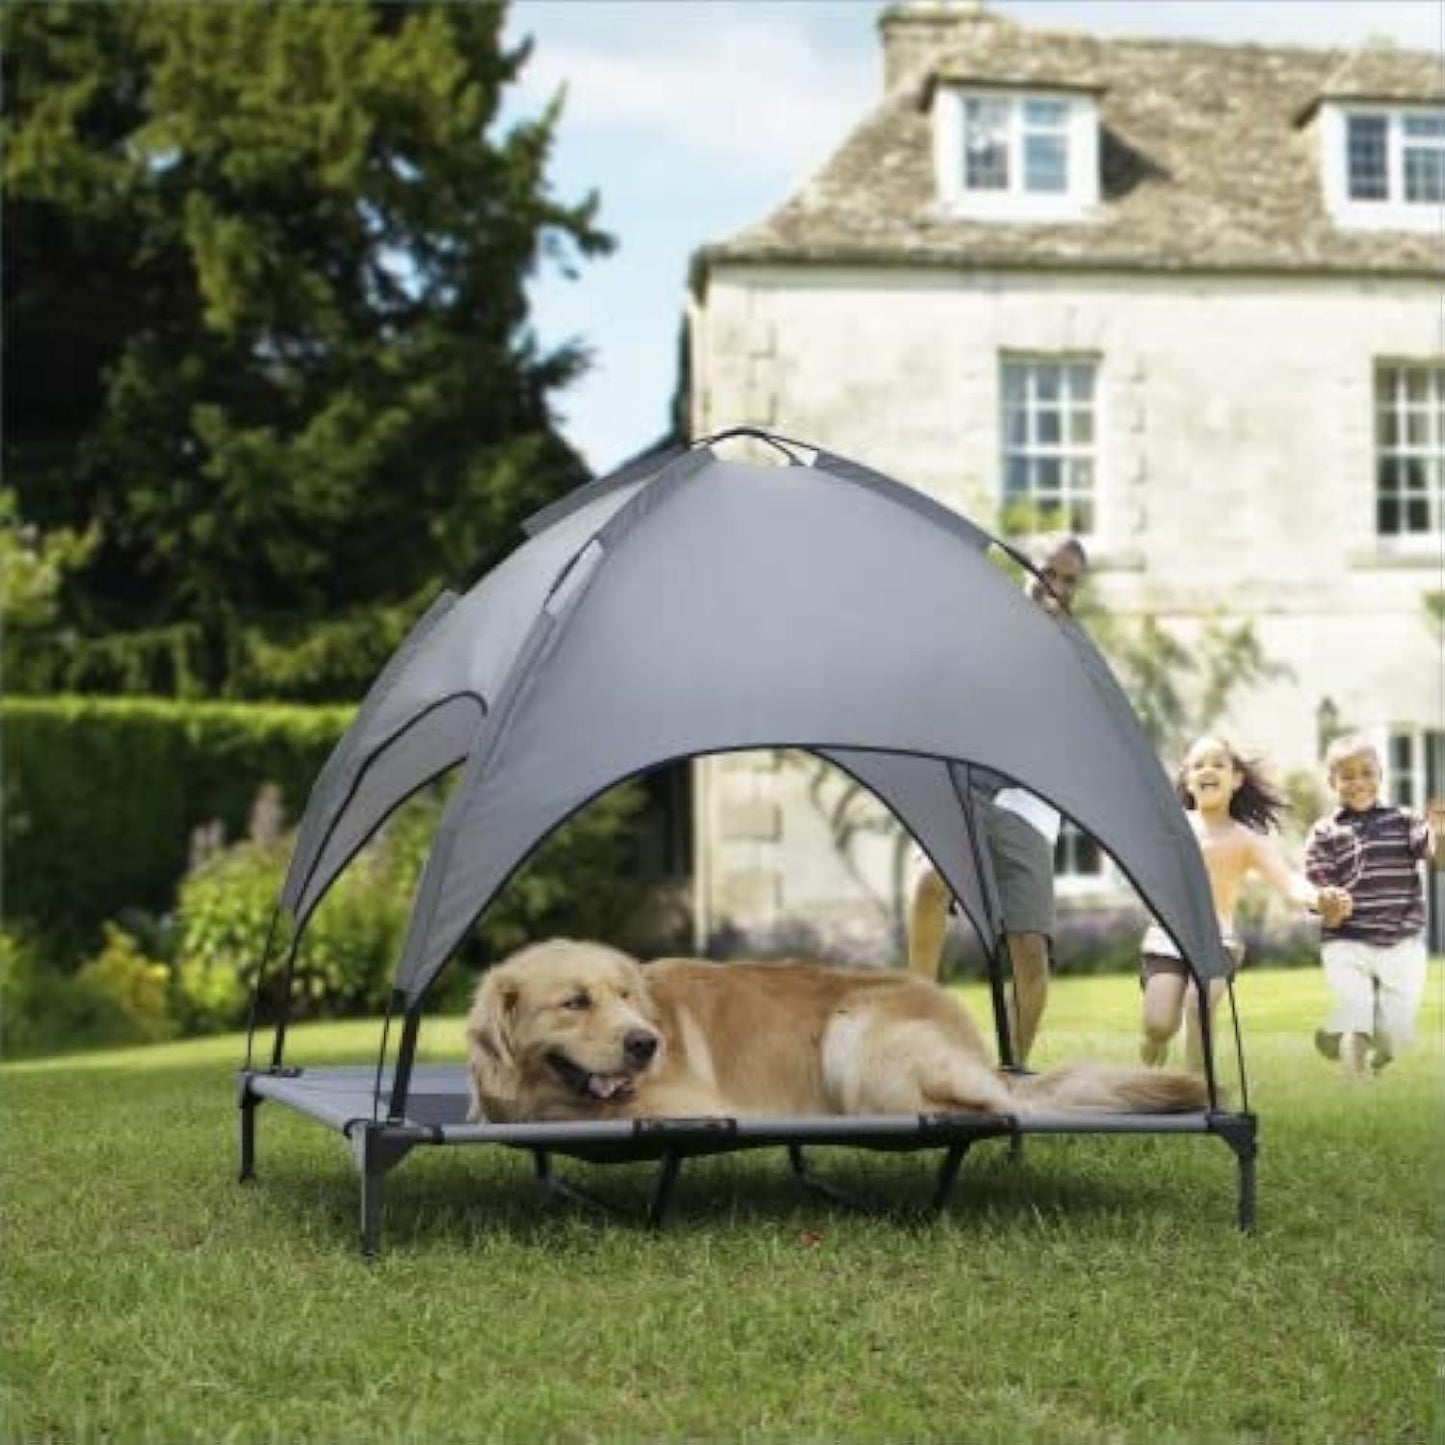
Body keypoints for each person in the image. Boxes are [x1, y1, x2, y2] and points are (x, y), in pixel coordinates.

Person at [906, 536, 1088, 1067]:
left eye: (1069, 579)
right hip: (963, 785)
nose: (1055, 585)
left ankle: (1011, 1070)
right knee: (928, 882)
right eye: (1047, 571)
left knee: (1029, 950)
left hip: (1025, 804)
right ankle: (915, 1019)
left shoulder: (1073, 653)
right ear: (1025, 569)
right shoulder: (980, 628)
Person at [1138, 735, 1351, 1071]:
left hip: (1216, 940)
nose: (1208, 770)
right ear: (1186, 777)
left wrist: (1317, 898)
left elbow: (1287, 880)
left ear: (1236, 779)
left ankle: (1196, 1090)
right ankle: (1152, 1046)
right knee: (1158, 1025)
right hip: (1166, 938)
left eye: (1218, 764)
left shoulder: (1246, 838)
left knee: (1199, 1004)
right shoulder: (1171, 828)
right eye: (1198, 765)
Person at [1305, 733, 1443, 1079]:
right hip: (1346, 939)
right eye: (1347, 775)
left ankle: (1352, 1044)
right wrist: (1328, 902)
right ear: (1332, 781)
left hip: (1401, 939)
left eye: (1366, 773)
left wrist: (1439, 833)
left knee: (1395, 1034)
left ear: (1380, 774)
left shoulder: (1404, 819)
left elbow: (1437, 859)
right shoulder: (1325, 831)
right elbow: (1316, 888)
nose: (1358, 783)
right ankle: (1356, 1084)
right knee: (1358, 1012)